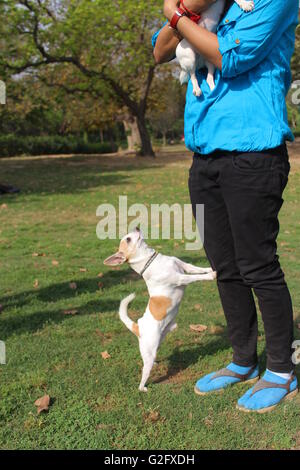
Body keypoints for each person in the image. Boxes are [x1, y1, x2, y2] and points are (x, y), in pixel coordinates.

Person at [152, 0, 299, 413]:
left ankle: (281, 369)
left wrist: (177, 13)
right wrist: (184, 11)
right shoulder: (207, 3)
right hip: (205, 157)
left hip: (253, 152)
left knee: (257, 264)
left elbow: (229, 57)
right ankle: (242, 360)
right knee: (225, 267)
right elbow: (161, 50)